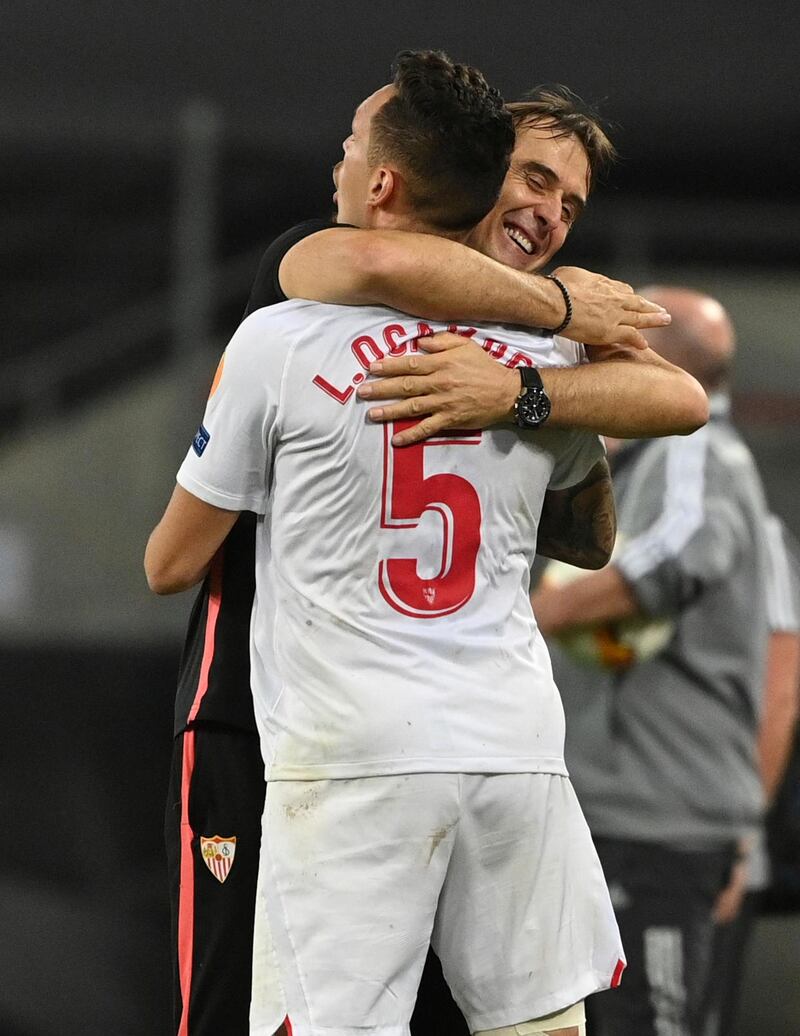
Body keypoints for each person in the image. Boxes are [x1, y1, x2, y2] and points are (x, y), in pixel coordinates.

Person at [161, 76, 709, 1036]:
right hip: (266, 719)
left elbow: (669, 410)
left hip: (363, 742)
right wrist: (554, 312)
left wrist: (524, 393)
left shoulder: (490, 352)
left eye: (570, 204)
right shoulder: (322, 263)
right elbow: (379, 255)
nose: (547, 211)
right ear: (469, 173)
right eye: (533, 179)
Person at [531, 287, 772, 1036]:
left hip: (658, 818)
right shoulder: (642, 460)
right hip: (625, 813)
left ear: (645, 358)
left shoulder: (691, 445)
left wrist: (518, 621)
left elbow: (676, 555)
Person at [702, 514, 800, 1035]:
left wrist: (739, 838)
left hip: (712, 838)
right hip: (621, 832)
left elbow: (780, 696)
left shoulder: (756, 531)